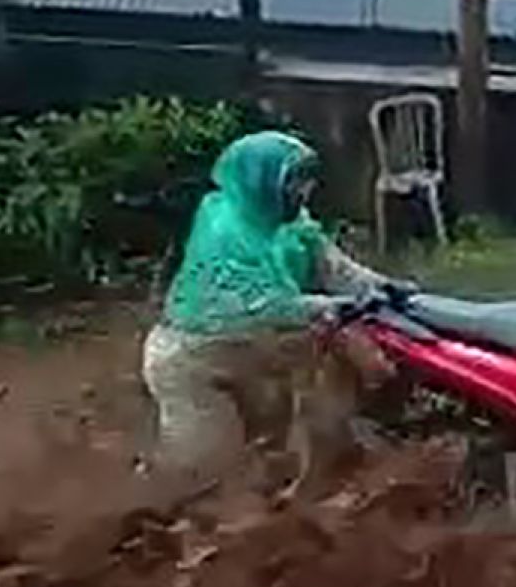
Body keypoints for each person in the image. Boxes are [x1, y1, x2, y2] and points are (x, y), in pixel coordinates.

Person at [141, 131, 388, 484]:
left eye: (307, 181)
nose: (305, 191)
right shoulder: (224, 231)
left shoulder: (290, 222)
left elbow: (335, 268)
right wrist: (320, 306)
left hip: (254, 355)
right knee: (202, 468)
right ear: (262, 181)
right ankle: (141, 506)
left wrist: (383, 288)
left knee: (271, 452)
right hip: (194, 362)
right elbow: (257, 305)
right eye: (295, 182)